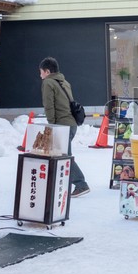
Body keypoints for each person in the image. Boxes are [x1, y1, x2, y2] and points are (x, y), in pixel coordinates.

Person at [39, 57, 90, 197]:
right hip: (71, 123)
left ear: (47, 71)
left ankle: (81, 185)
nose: (40, 75)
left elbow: (49, 106)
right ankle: (59, 183)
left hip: (62, 125)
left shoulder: (48, 82)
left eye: (41, 72)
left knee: (64, 157)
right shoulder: (64, 82)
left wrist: (52, 125)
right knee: (59, 155)